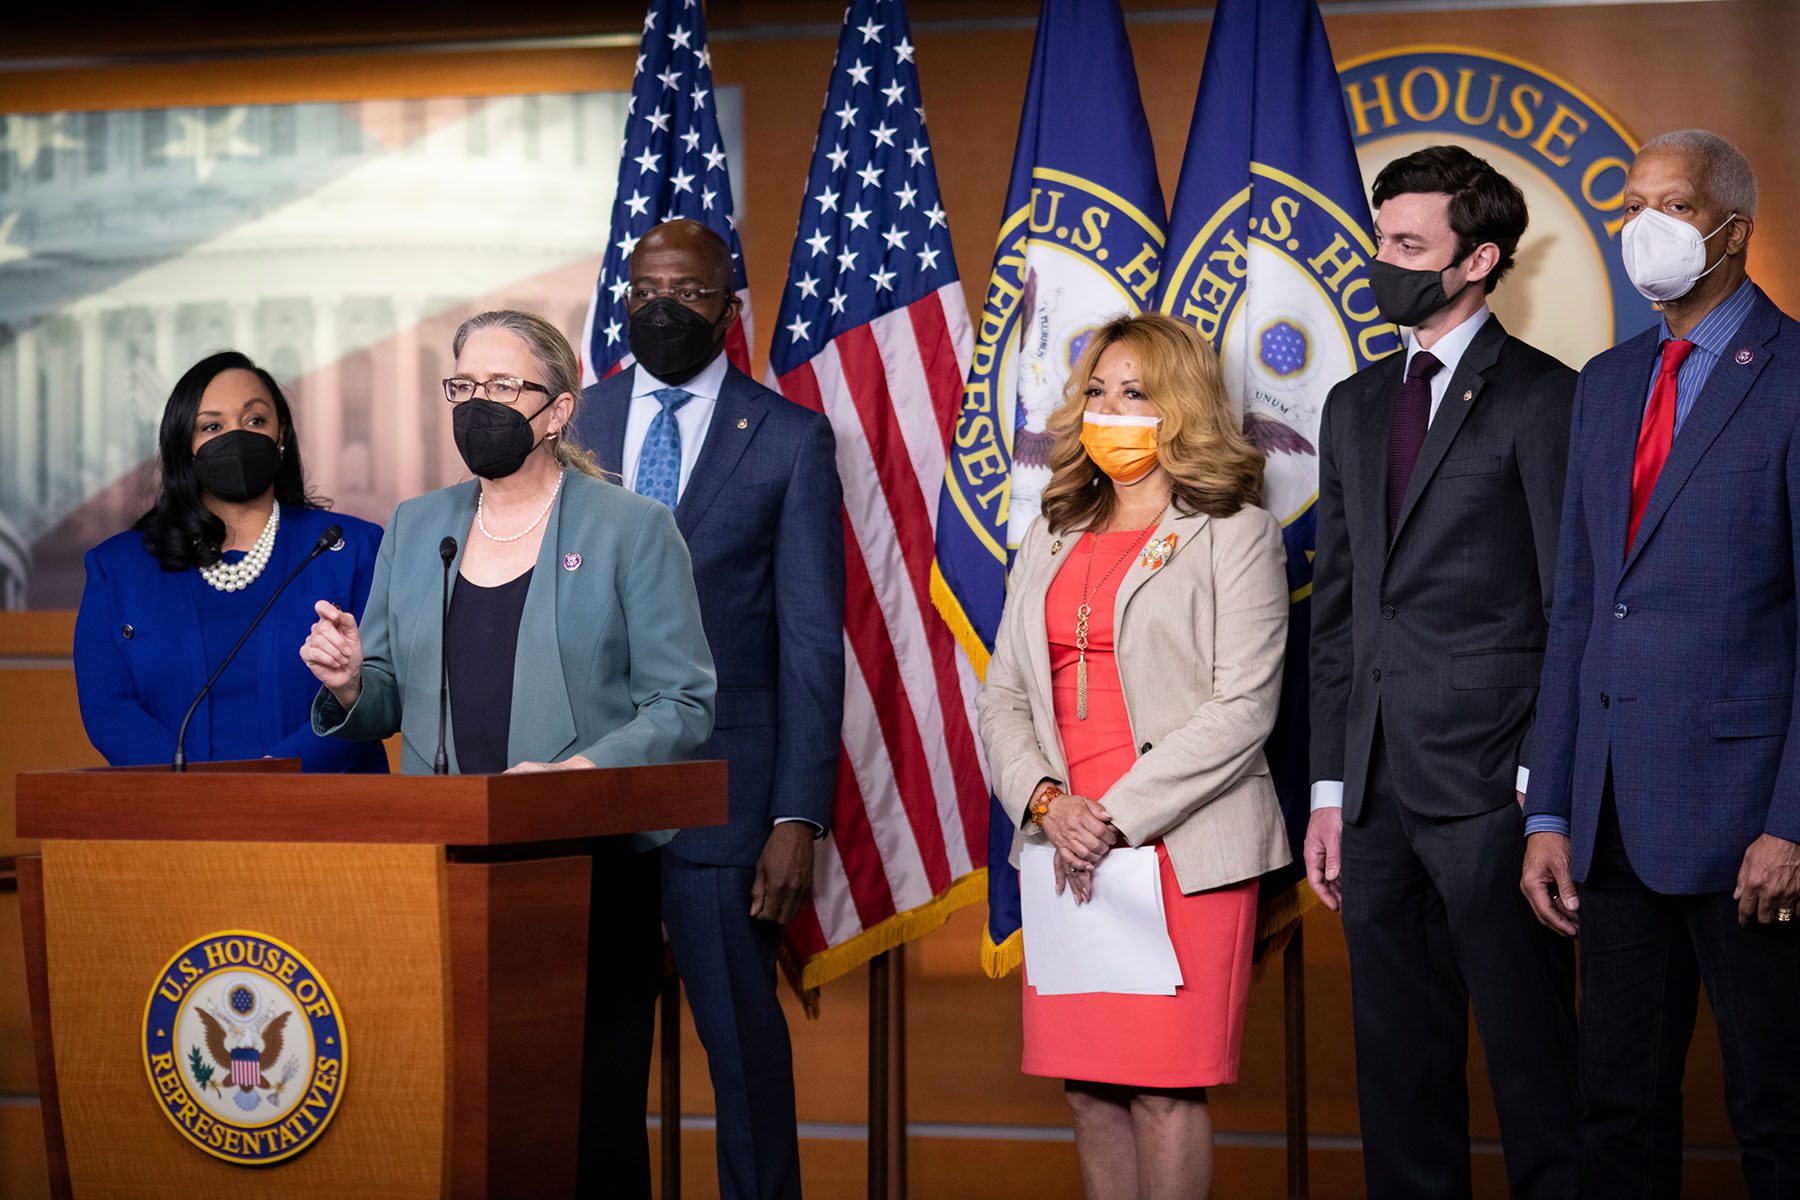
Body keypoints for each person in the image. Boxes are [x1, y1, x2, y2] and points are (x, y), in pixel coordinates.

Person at [299, 308, 716, 1197]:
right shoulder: (418, 526)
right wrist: (344, 680)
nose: (476, 404)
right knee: (449, 1119)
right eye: (463, 386)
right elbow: (383, 696)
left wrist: (576, 778)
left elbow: (682, 702)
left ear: (558, 411)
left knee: (583, 1129)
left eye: (501, 387)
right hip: (440, 873)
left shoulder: (630, 528)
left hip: (585, 873)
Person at [1523, 130, 1800, 1198]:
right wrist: (1550, 811)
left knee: (1775, 1111)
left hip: (1750, 835)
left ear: (1734, 232)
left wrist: (1792, 824)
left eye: (1672, 207)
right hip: (1611, 824)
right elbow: (1582, 607)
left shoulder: (1788, 375)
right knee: (1619, 1114)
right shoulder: (1607, 382)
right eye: (1632, 200)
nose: (1645, 225)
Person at [1305, 144, 1581, 1199]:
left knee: (1536, 1076)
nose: (1384, 262)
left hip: (1492, 802)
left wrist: (1538, 788)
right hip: (1372, 802)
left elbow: (1567, 611)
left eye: (1409, 246)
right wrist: (1331, 789)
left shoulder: (1547, 399)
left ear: (1479, 260)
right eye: (1382, 241)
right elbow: (1339, 614)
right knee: (1399, 1084)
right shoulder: (1352, 404)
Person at [975, 311, 1289, 1199]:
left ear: (1182, 405)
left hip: (1178, 845)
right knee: (1088, 1095)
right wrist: (1047, 804)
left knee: (1161, 1093)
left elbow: (1244, 708)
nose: (1109, 408)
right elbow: (1003, 695)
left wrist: (1110, 818)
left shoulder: (1235, 533)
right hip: (1061, 842)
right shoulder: (1051, 532)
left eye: (1136, 392)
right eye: (1098, 390)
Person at [574, 219, 845, 1200]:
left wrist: (796, 817)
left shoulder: (788, 439)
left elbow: (812, 640)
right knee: (597, 1072)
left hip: (729, 817)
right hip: (593, 807)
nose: (664, 306)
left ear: (731, 307)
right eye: (647, 287)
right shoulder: (580, 426)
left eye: (689, 291)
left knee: (744, 1061)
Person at [74, 350, 386, 773]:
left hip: (326, 815)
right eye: (212, 426)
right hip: (173, 821)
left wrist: (275, 779)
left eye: (255, 420)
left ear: (280, 437)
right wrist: (196, 794)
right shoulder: (118, 569)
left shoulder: (352, 549)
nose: (236, 437)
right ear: (184, 446)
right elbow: (108, 710)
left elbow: (377, 692)